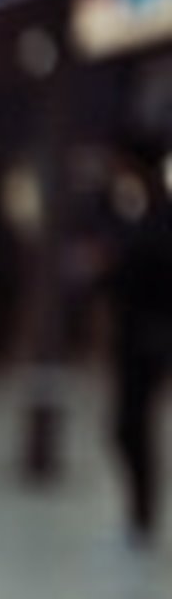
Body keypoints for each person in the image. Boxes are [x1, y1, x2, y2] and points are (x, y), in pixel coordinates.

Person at [105, 152, 172, 547]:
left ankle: (141, 517)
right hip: (138, 339)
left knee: (132, 428)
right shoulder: (145, 222)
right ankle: (138, 515)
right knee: (127, 428)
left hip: (146, 341)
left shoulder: (157, 227)